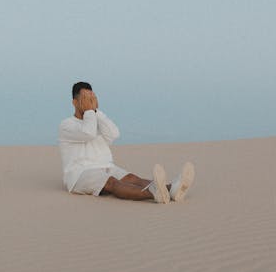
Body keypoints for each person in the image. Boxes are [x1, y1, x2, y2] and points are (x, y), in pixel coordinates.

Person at [58, 82, 195, 203]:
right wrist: (89, 111)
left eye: (91, 98)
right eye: (84, 98)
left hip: (105, 166)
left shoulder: (94, 118)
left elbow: (114, 134)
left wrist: (96, 111)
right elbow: (88, 133)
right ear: (74, 102)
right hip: (80, 174)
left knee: (132, 178)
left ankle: (171, 189)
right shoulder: (66, 125)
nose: (88, 101)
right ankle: (153, 193)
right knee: (112, 182)